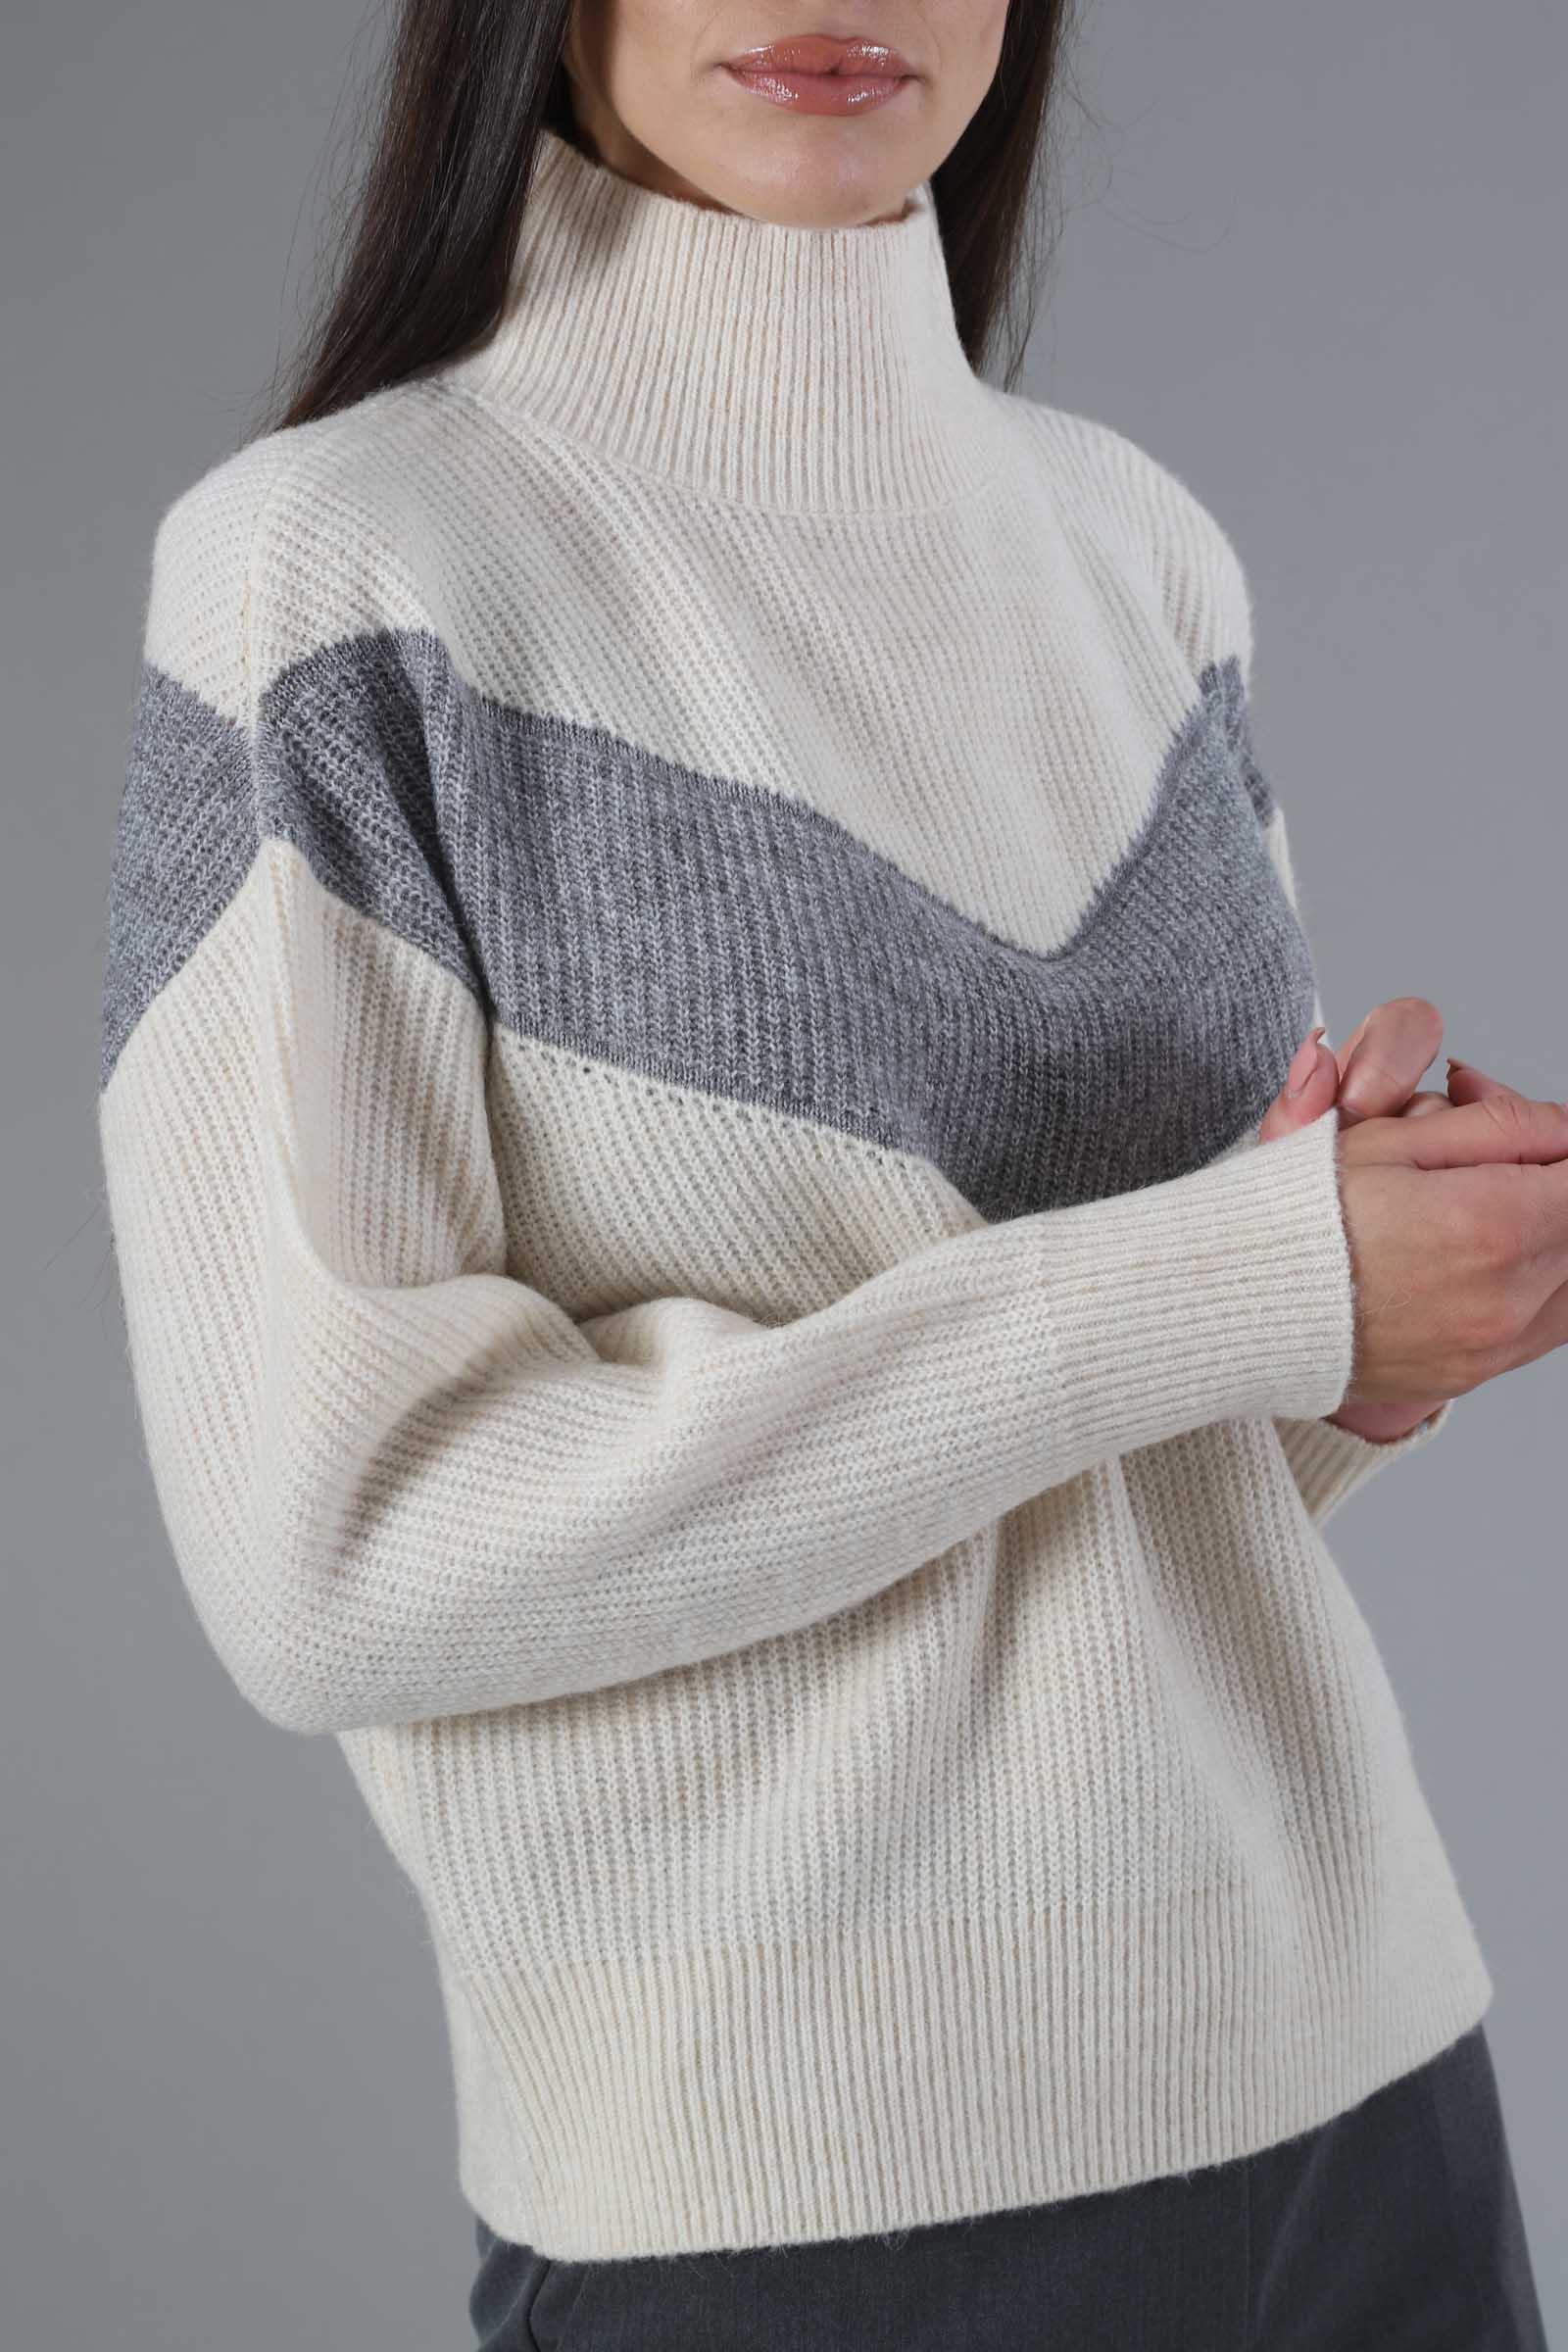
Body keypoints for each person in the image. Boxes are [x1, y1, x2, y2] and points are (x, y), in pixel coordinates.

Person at [96, 2, 1556, 2343]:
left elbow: (1119, 1497)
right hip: (796, 2213)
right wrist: (1244, 1284)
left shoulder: (1133, 550)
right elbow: (341, 1553)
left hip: (1367, 2098)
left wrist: (1353, 1350)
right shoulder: (341, 572)